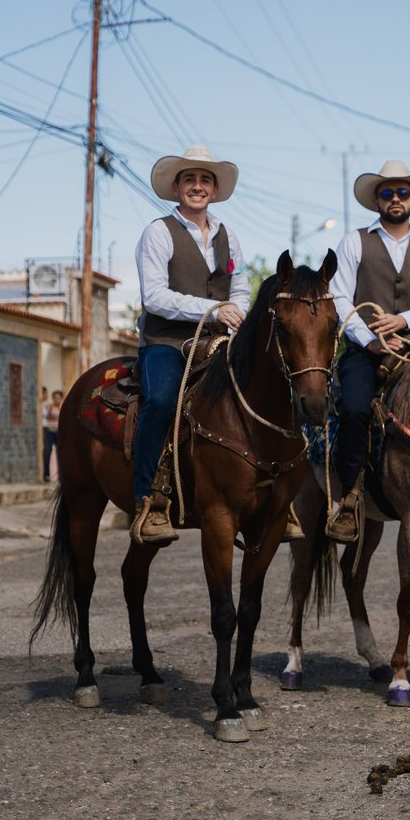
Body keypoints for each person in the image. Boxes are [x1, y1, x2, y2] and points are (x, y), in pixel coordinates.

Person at [131, 145, 249, 545]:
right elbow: (155, 297)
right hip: (166, 340)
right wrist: (216, 309)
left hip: (217, 342)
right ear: (177, 187)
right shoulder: (158, 232)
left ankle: (267, 493)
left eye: (204, 180)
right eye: (189, 179)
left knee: (265, 391)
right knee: (162, 400)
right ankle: (146, 497)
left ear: (214, 190)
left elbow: (242, 287)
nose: (197, 187)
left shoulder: (227, 235)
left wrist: (239, 313)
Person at [328, 160, 410, 543]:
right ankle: (348, 499)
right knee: (354, 409)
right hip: (364, 347)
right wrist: (370, 338)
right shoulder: (354, 240)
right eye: (387, 193)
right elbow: (339, 297)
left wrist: (402, 321)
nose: (395, 199)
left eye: (402, 192)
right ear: (376, 201)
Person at [45, 390, 63, 481]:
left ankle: (61, 475)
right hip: (50, 432)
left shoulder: (62, 409)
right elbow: (46, 417)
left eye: (58, 398)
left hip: (58, 433)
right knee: (47, 452)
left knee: (60, 454)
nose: (57, 400)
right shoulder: (50, 408)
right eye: (55, 398)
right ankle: (47, 475)